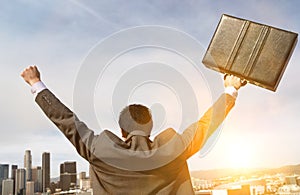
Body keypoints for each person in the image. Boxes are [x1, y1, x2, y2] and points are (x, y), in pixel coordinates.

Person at [21, 65, 243, 195]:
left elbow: (66, 120)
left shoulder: (100, 149)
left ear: (122, 130)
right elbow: (208, 123)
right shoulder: (174, 149)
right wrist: (230, 88)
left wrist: (36, 83)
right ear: (151, 126)